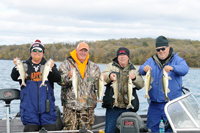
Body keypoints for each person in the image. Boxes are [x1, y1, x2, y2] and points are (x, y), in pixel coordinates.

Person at [139, 35, 189, 132]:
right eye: (158, 50)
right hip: (154, 104)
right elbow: (141, 69)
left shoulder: (177, 59)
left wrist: (173, 68)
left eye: (163, 48)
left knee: (172, 129)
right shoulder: (151, 60)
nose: (161, 51)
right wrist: (144, 69)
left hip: (172, 105)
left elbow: (185, 69)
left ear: (168, 48)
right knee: (151, 129)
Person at [11, 39, 61, 132]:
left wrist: (52, 68)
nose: (37, 52)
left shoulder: (48, 65)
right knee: (30, 129)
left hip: (47, 110)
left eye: (39, 50)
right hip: (29, 110)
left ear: (43, 53)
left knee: (50, 129)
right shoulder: (24, 65)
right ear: (31, 52)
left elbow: (58, 78)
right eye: (34, 50)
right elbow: (14, 77)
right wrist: (16, 67)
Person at [59, 42, 101, 131]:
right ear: (76, 51)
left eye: (85, 51)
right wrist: (68, 77)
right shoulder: (65, 64)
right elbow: (60, 81)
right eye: (81, 50)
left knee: (86, 131)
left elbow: (97, 86)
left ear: (88, 52)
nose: (83, 53)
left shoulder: (94, 67)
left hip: (88, 107)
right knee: (70, 130)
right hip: (71, 106)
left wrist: (104, 79)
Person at [102, 47, 144, 133]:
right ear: (117, 57)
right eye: (120, 55)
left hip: (128, 107)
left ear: (128, 57)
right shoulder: (110, 66)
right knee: (110, 130)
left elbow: (141, 84)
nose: (122, 57)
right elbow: (102, 78)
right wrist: (109, 76)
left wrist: (135, 78)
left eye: (124, 55)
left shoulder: (134, 69)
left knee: (128, 131)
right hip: (112, 107)